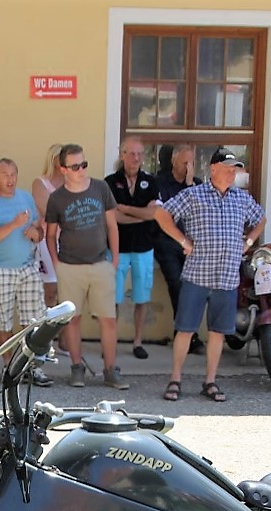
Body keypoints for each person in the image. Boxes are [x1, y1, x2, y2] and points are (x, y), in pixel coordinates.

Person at [153, 147, 264, 403]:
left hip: (226, 277)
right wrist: (182, 239)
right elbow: (161, 214)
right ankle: (176, 379)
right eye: (227, 169)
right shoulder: (194, 194)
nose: (232, 174)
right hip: (197, 275)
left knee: (218, 332)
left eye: (234, 170)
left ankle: (210, 381)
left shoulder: (241, 198)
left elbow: (261, 219)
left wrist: (248, 241)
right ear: (213, 169)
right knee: (185, 329)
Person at [45, 143, 126, 389]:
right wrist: (56, 262)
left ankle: (111, 370)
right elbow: (50, 234)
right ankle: (76, 367)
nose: (81, 170)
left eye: (84, 164)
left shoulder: (101, 188)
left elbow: (112, 225)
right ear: (63, 169)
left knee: (108, 319)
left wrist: (114, 259)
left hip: (101, 262)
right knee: (73, 320)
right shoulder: (57, 198)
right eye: (75, 166)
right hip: (70, 266)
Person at [0, 157, 50, 386]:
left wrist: (37, 234)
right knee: (3, 321)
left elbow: (39, 230)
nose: (10, 179)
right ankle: (9, 367)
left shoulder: (25, 197)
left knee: (34, 321)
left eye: (14, 174)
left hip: (27, 266)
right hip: (0, 270)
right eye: (5, 174)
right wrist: (14, 225)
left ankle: (32, 367)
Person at [107, 136, 160, 360]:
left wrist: (126, 209)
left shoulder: (151, 181)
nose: (136, 158)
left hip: (143, 247)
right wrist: (141, 215)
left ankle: (138, 342)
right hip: (117, 248)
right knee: (113, 298)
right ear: (122, 154)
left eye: (140, 154)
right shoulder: (109, 182)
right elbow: (112, 217)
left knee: (141, 297)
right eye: (131, 153)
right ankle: (111, 342)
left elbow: (154, 214)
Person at [153, 144, 200, 318]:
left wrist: (189, 185)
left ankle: (188, 332)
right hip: (166, 243)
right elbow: (166, 216)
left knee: (193, 286)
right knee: (176, 283)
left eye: (191, 163)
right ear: (173, 161)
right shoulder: (160, 183)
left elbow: (198, 215)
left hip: (192, 244)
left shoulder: (198, 186)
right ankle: (184, 329)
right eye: (184, 163)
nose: (188, 168)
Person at [30, 143, 65, 308]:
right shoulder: (40, 183)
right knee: (49, 290)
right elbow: (48, 211)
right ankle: (46, 331)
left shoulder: (71, 183)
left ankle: (64, 333)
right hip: (47, 240)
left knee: (66, 292)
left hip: (69, 240)